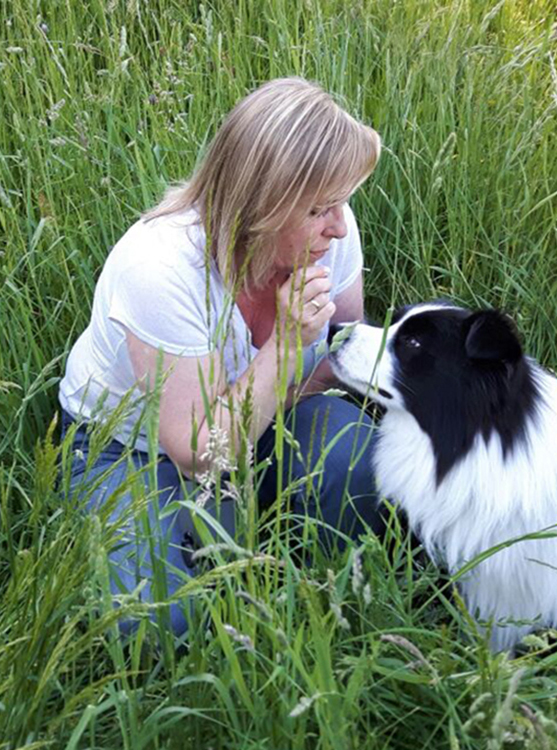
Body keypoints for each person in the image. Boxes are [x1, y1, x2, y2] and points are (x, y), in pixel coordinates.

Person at [58, 77, 385, 637]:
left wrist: (287, 388)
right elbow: (199, 454)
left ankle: (307, 592)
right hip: (126, 448)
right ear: (263, 205)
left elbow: (346, 351)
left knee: (362, 459)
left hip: (272, 415)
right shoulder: (161, 268)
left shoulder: (330, 235)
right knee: (155, 622)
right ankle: (212, 548)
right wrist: (284, 346)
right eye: (320, 207)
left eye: (342, 201)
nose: (339, 224)